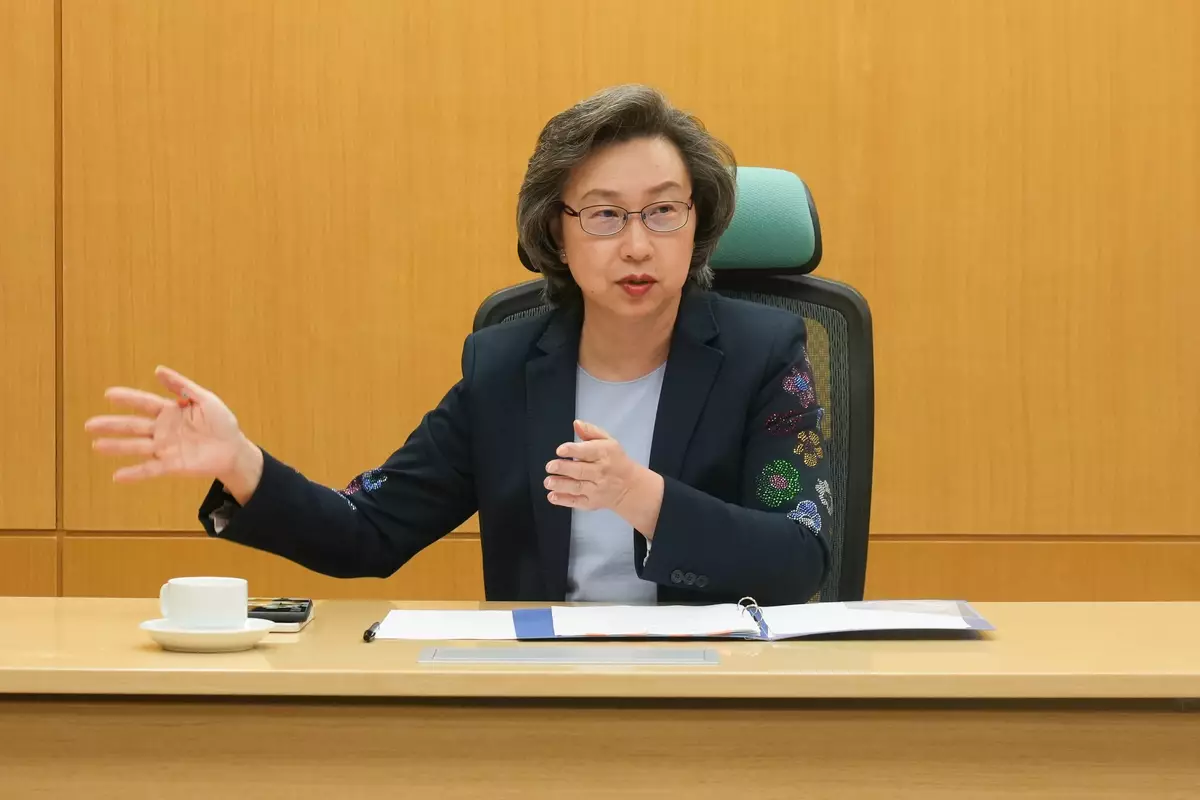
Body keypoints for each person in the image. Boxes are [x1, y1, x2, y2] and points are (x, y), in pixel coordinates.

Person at [85, 84, 832, 605]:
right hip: (540, 702)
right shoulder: (504, 370)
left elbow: (799, 558)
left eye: (664, 211)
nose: (638, 245)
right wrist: (240, 463)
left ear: (698, 223)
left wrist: (638, 496)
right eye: (605, 215)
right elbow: (368, 532)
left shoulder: (766, 354)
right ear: (556, 234)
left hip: (713, 699)